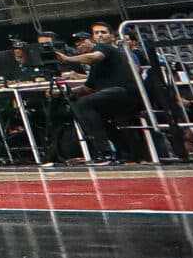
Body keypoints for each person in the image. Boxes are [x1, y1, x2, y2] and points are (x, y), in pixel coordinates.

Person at [56, 23, 138, 164]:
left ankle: (104, 151)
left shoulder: (104, 48)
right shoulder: (95, 66)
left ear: (91, 41)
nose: (79, 45)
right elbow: (88, 88)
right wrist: (64, 92)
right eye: (77, 44)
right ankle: (122, 151)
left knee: (85, 104)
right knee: (78, 104)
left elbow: (96, 57)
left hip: (125, 92)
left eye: (82, 41)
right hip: (112, 96)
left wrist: (67, 59)